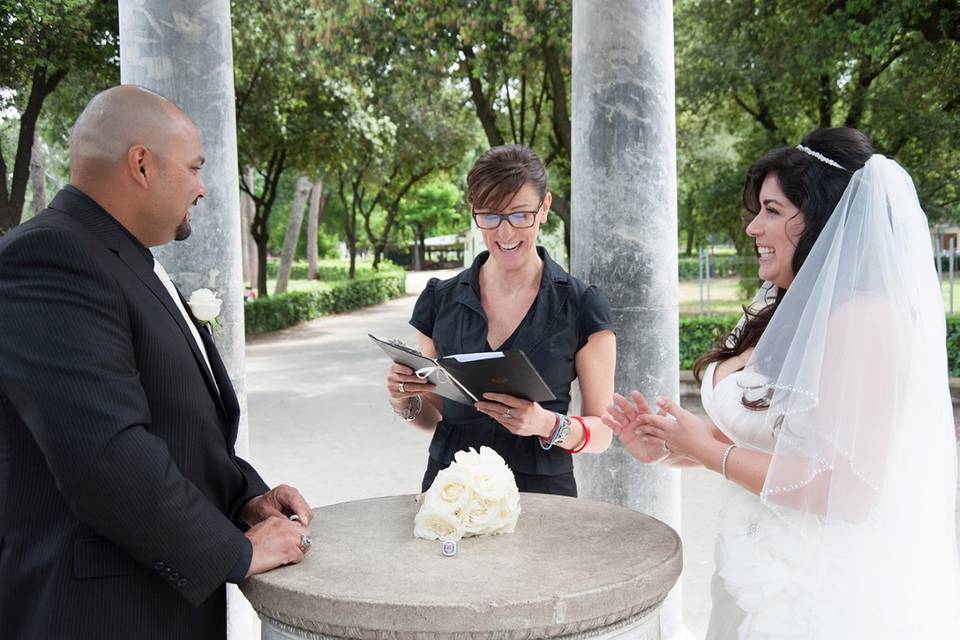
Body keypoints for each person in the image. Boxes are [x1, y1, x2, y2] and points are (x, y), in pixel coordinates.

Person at [606, 127, 960, 638]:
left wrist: (705, 452)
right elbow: (778, 438)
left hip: (807, 596)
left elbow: (848, 487)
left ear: (823, 219)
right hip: (750, 568)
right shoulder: (785, 306)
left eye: (772, 210)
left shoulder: (864, 320)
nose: (753, 227)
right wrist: (671, 443)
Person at [0, 86, 314, 639]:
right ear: (141, 164)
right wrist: (234, 553)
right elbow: (105, 452)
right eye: (194, 167)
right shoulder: (51, 257)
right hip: (103, 614)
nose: (203, 187)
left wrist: (246, 498)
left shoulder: (122, 256)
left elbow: (178, 426)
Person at [386, 145, 616, 496]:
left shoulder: (581, 304)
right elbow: (434, 417)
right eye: (490, 216)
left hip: (543, 494)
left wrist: (547, 424)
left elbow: (603, 432)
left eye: (520, 215)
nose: (505, 233)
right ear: (473, 211)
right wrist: (404, 399)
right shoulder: (439, 300)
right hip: (451, 488)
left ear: (545, 208)